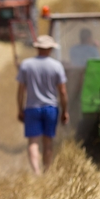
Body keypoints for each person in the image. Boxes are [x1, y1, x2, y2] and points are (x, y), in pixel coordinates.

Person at [16, 35, 69, 175]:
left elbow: (21, 91)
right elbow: (62, 91)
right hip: (51, 108)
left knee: (33, 142)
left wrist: (20, 109)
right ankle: (47, 171)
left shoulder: (26, 65)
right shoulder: (57, 66)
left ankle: (36, 172)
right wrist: (65, 111)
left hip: (32, 108)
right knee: (48, 142)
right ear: (50, 49)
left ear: (37, 48)